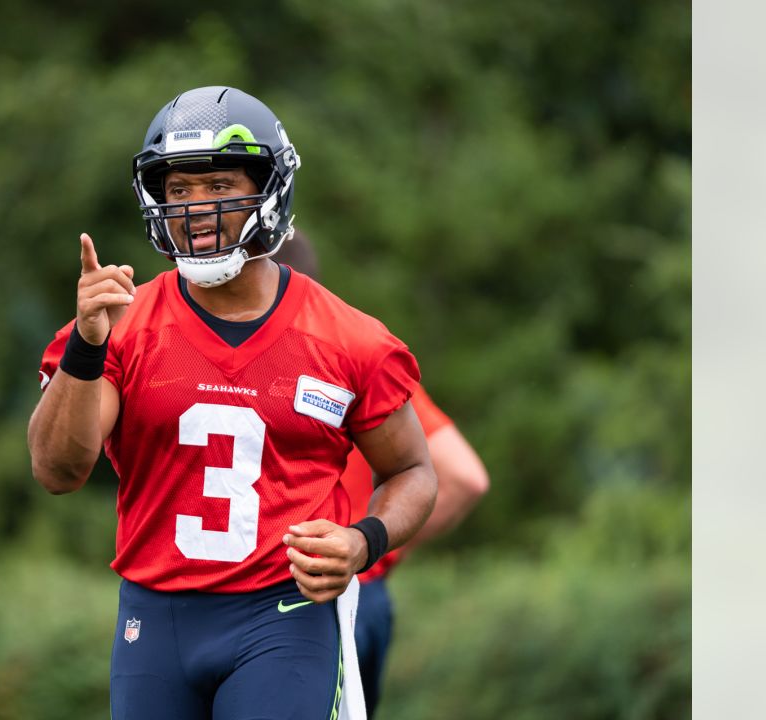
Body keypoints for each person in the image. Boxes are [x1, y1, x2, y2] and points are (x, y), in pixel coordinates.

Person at [28, 86, 438, 720]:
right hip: (154, 616)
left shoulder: (350, 339)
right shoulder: (123, 326)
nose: (194, 209)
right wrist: (86, 345)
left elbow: (413, 471)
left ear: (269, 189)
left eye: (217, 185)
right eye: (178, 192)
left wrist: (363, 542)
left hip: (284, 613)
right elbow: (59, 471)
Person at [274, 235, 490, 716]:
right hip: (351, 589)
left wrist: (370, 546)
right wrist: (371, 555)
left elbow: (462, 476)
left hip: (312, 592)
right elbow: (466, 477)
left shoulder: (350, 359)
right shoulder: (346, 355)